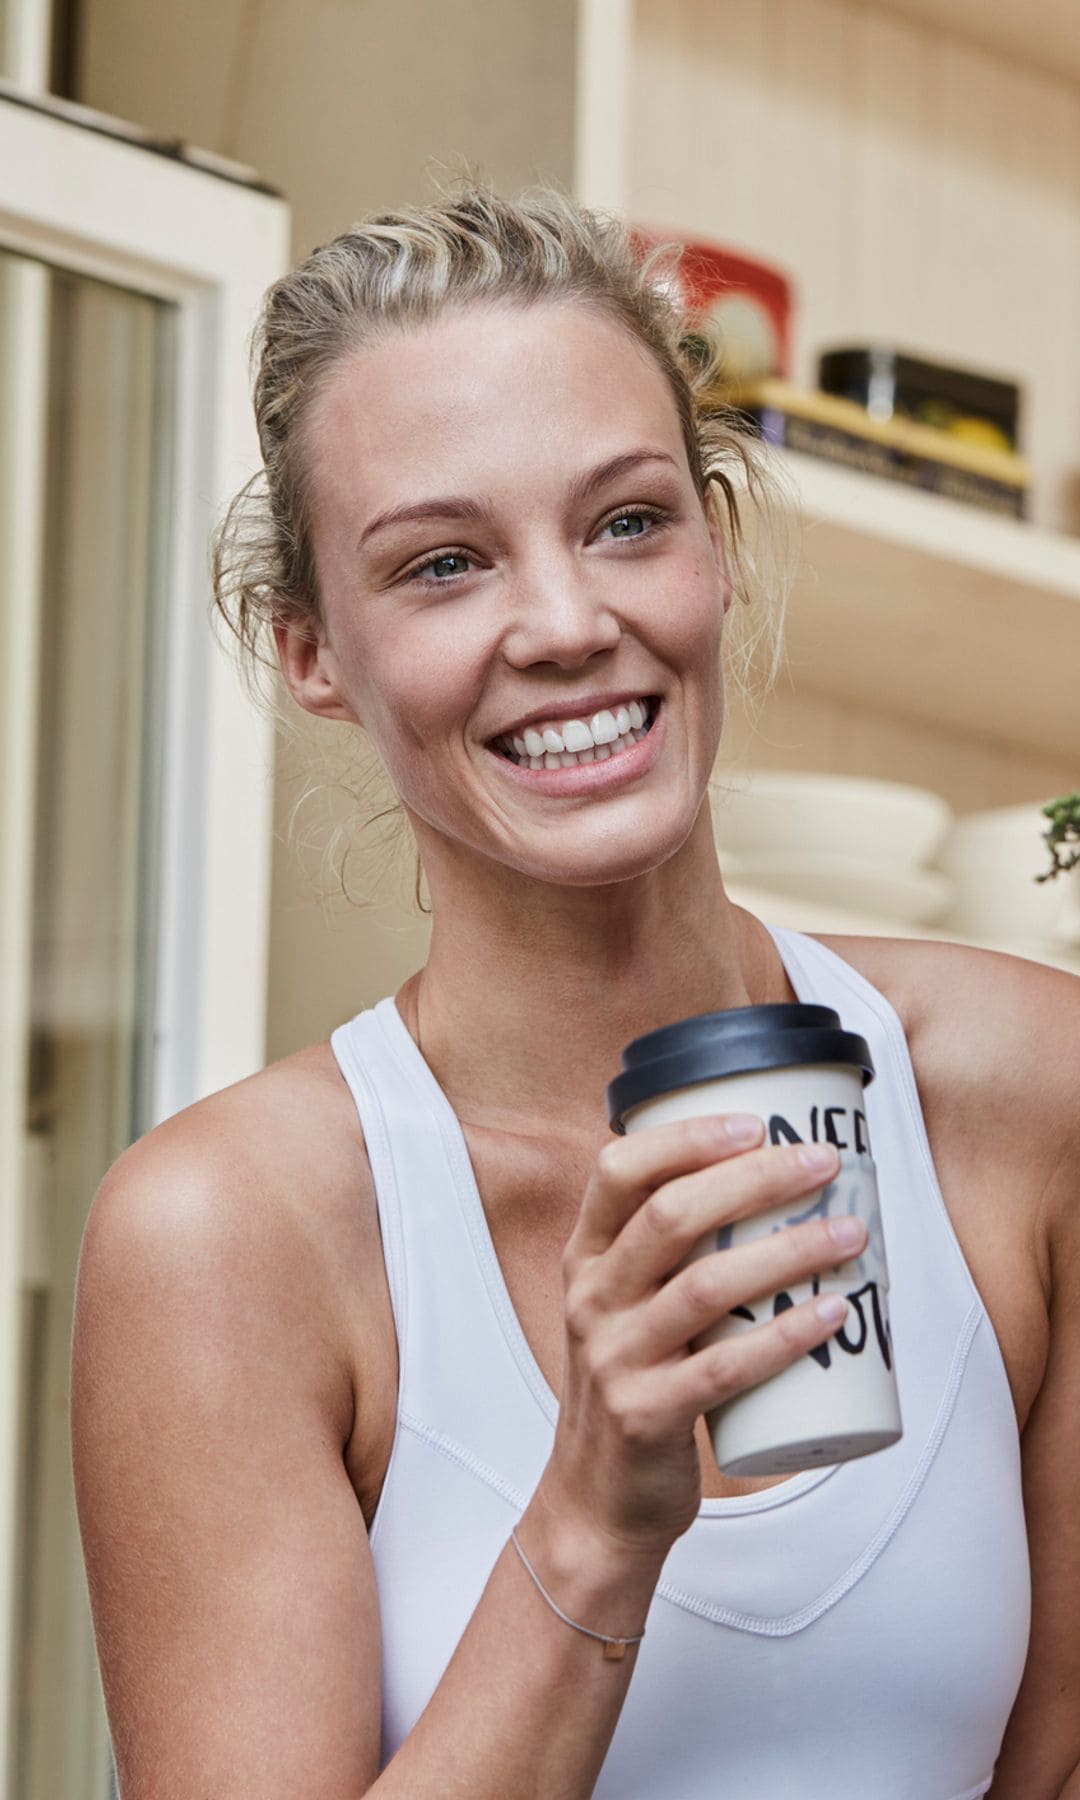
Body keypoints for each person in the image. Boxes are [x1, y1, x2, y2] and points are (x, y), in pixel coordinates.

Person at [71, 184, 1080, 1800]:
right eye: (443, 564)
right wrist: (596, 1518)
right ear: (312, 651)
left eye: (626, 522)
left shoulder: (1025, 1098)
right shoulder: (231, 1238)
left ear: (717, 546)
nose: (566, 624)